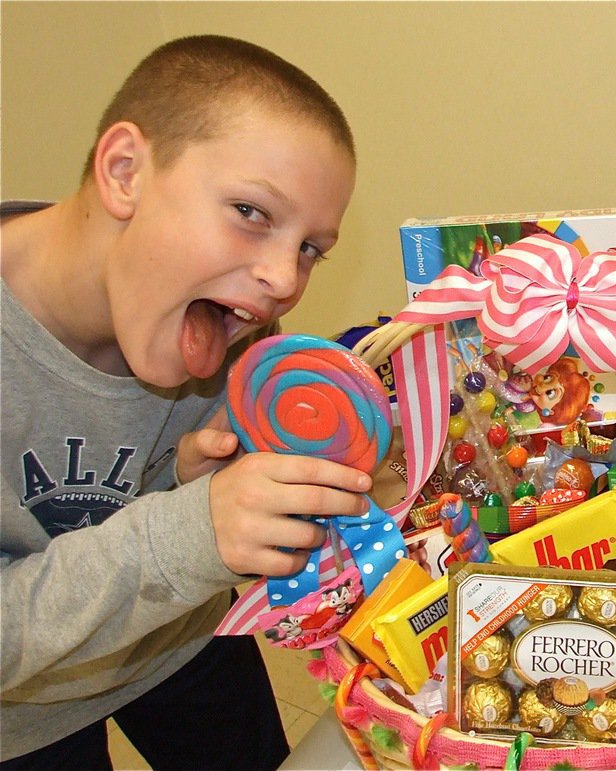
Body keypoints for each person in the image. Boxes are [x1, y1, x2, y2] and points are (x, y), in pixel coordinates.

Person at [1, 35, 364, 768]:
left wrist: (202, 492)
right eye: (252, 211)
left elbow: (180, 520)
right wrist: (187, 530)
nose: (282, 281)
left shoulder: (229, 313)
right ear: (126, 172)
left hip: (180, 643)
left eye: (310, 248)